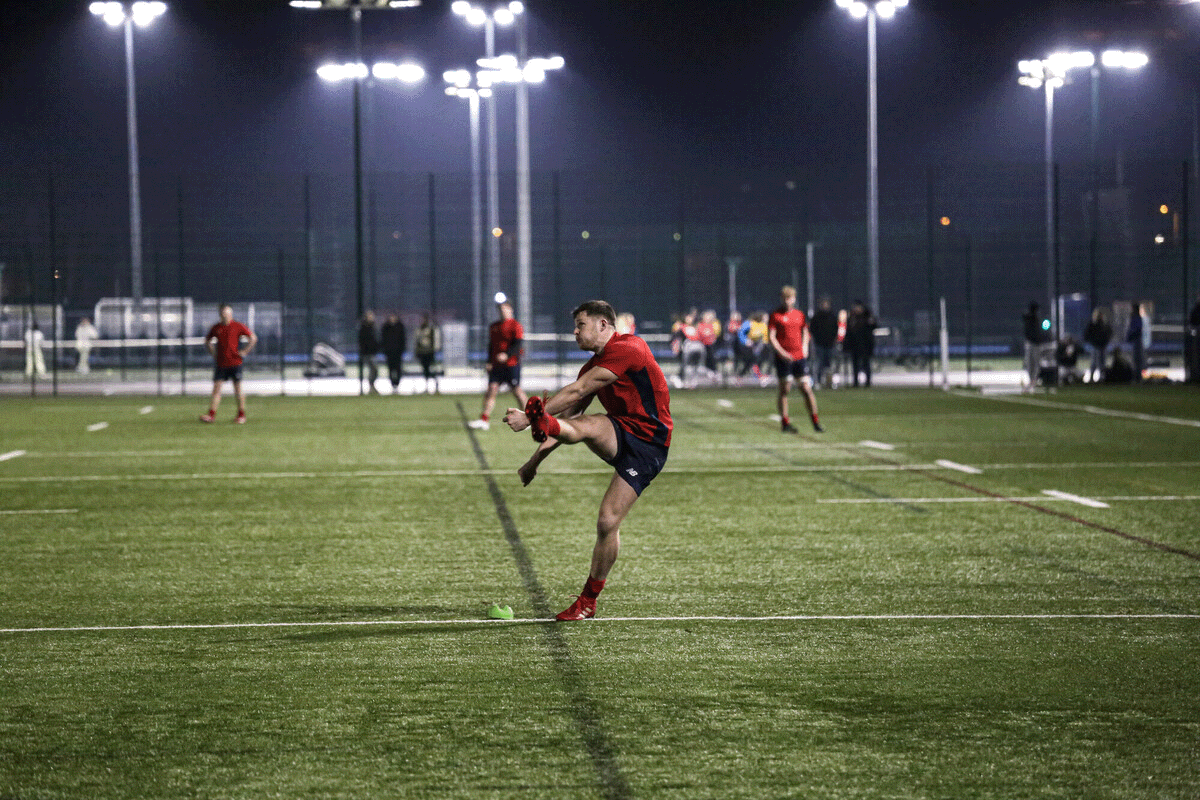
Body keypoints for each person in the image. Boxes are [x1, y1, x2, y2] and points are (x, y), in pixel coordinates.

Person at [502, 300, 672, 621]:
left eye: (581, 325)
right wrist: (534, 461)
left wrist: (528, 416)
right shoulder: (592, 366)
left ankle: (587, 600)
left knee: (608, 521)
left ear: (604, 325)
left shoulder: (629, 348)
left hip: (650, 443)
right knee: (587, 424)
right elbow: (571, 418)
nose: (575, 332)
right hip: (620, 433)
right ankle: (587, 605)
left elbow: (578, 390)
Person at [768, 285, 823, 433]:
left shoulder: (799, 315)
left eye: (789, 298)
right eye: (784, 298)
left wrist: (805, 347)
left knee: (806, 388)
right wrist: (781, 352)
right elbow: (772, 337)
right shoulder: (775, 315)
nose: (787, 301)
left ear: (794, 299)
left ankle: (815, 421)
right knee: (785, 389)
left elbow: (805, 332)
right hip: (783, 359)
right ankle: (785, 423)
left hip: (799, 357)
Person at [470, 299, 527, 430]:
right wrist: (489, 361)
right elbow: (492, 346)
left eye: (505, 309)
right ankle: (484, 420)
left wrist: (507, 355)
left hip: (511, 365)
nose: (503, 312)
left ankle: (530, 418)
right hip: (496, 366)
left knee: (517, 391)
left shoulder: (515, 325)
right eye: (501, 309)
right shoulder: (494, 326)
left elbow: (517, 344)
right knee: (491, 390)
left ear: (510, 310)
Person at [200, 304, 256, 423]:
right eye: (223, 313)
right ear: (220, 314)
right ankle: (211, 415)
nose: (225, 315)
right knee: (216, 389)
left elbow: (253, 338)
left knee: (238, 389)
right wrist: (214, 353)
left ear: (231, 314)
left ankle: (241, 415)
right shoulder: (216, 328)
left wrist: (245, 351)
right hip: (221, 364)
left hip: (235, 363)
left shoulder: (238, 326)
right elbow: (207, 341)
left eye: (227, 313)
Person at [845, 300, 877, 388]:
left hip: (865, 345)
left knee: (866, 364)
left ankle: (868, 382)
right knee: (855, 365)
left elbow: (874, 326)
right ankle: (855, 382)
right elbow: (848, 332)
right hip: (854, 345)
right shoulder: (852, 318)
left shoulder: (867, 316)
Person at [808, 297, 838, 389]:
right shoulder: (817, 317)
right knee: (819, 363)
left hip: (829, 344)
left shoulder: (832, 316)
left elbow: (835, 329)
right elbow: (812, 329)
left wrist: (833, 339)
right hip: (819, 344)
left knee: (828, 364)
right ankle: (818, 381)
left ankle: (829, 382)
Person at [1021, 301, 1051, 391]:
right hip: (1031, 343)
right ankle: (1032, 380)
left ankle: (1033, 380)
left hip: (1035, 343)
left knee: (1035, 363)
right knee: (1030, 363)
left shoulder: (1035, 318)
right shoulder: (1031, 318)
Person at [413, 313, 442, 394]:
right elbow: (417, 342)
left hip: (429, 352)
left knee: (431, 369)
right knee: (425, 370)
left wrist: (435, 349)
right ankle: (427, 386)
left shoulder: (432, 329)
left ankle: (436, 384)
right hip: (422, 353)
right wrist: (417, 351)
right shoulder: (419, 329)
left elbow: (436, 340)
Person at [1083, 308, 1112, 383]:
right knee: (1095, 362)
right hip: (1096, 346)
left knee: (1100, 363)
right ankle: (1095, 378)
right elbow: (1087, 335)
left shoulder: (1102, 325)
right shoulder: (1095, 324)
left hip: (1101, 346)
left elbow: (1108, 333)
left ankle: (1100, 378)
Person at [381, 313, 407, 394]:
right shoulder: (386, 327)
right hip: (389, 352)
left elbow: (403, 340)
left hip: (398, 353)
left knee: (398, 368)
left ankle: (397, 384)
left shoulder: (400, 327)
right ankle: (393, 384)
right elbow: (383, 340)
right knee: (391, 369)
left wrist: (401, 350)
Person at [358, 310, 381, 394]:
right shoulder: (364, 328)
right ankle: (371, 386)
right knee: (373, 369)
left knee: (374, 369)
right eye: (370, 316)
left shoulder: (373, 327)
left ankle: (372, 386)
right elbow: (362, 341)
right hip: (367, 353)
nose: (372, 317)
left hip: (373, 352)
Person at [1126, 301, 1148, 381]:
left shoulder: (1137, 318)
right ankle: (1137, 377)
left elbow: (1136, 330)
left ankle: (1138, 377)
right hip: (1135, 341)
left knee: (1137, 360)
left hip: (1136, 341)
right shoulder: (1135, 318)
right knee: (1136, 360)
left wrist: (1130, 337)